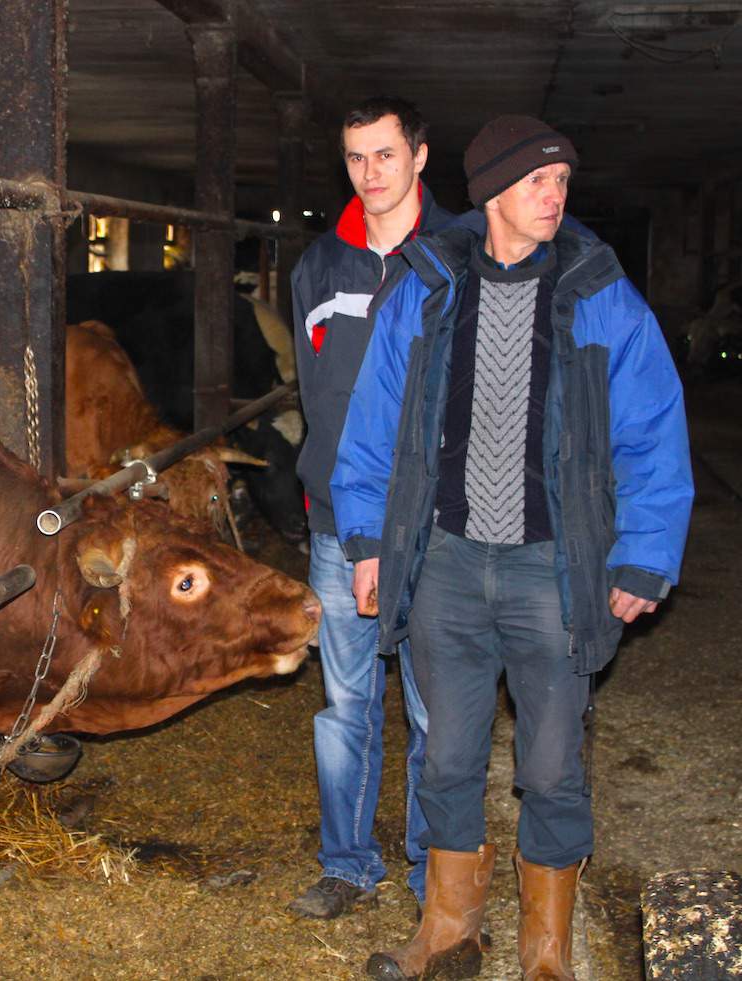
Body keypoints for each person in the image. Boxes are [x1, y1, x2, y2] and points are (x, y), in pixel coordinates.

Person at [331, 115, 693, 979]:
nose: (556, 197)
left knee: (552, 764)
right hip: (446, 563)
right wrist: (369, 537)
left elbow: (653, 431)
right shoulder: (426, 287)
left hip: (551, 569)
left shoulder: (599, 292)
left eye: (563, 182)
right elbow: (373, 424)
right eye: (538, 182)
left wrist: (644, 553)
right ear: (493, 190)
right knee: (447, 757)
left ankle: (546, 948)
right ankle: (450, 931)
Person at [288, 97, 456, 918]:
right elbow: (317, 397)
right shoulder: (318, 266)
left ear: (421, 156)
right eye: (356, 158)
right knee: (345, 702)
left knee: (436, 704)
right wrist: (327, 490)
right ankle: (348, 863)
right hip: (334, 525)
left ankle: (435, 873)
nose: (370, 174)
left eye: (386, 155)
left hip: (433, 525)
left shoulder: (462, 256)